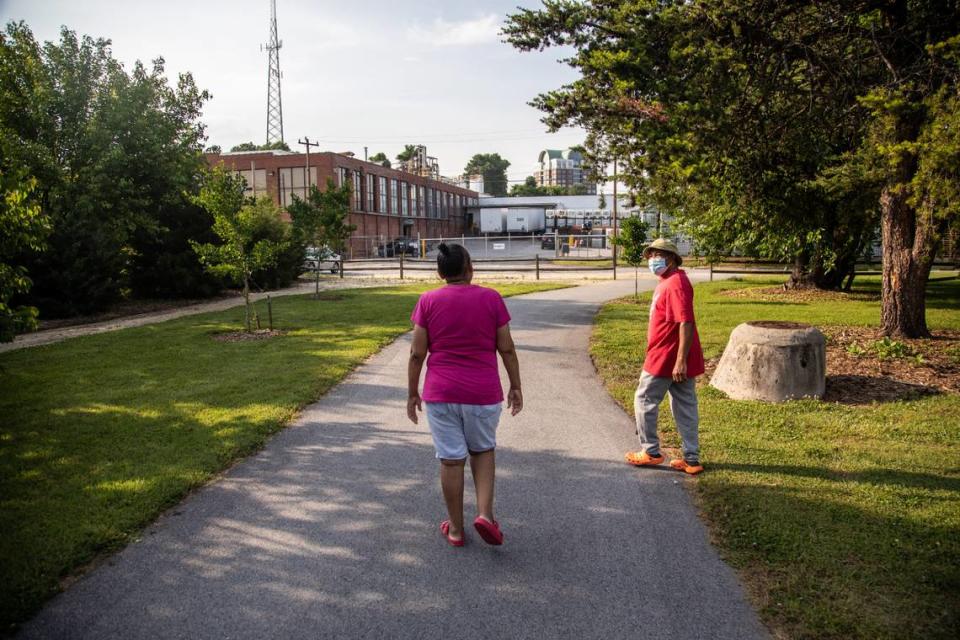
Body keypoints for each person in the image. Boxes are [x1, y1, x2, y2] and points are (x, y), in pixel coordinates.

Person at [407, 243, 523, 547]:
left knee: (451, 460)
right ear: (469, 267)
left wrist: (411, 393)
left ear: (440, 271)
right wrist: (516, 385)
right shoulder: (491, 298)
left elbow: (417, 354)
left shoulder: (428, 301)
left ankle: (456, 530)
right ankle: (485, 515)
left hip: (441, 393)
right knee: (482, 451)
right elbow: (507, 348)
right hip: (482, 393)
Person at [625, 238, 706, 475]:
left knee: (644, 400)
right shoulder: (669, 281)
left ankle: (650, 451)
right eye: (650, 255)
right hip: (669, 354)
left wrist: (680, 359)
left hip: (666, 356)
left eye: (657, 255)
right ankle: (691, 460)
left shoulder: (676, 283)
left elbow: (686, 322)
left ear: (670, 259)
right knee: (684, 406)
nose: (652, 260)